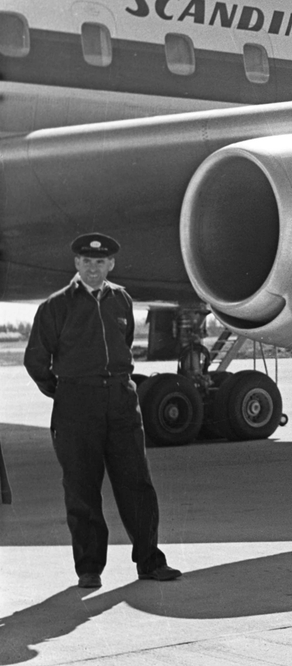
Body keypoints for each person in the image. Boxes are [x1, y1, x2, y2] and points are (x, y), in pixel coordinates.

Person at [24, 234, 181, 590]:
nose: (93, 268)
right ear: (77, 264)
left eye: (100, 262)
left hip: (122, 402)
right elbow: (36, 360)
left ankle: (150, 561)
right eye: (86, 261)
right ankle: (89, 568)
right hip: (76, 405)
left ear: (111, 264)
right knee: (81, 487)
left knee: (137, 483)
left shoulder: (121, 299)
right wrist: (65, 391)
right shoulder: (56, 306)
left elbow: (122, 346)